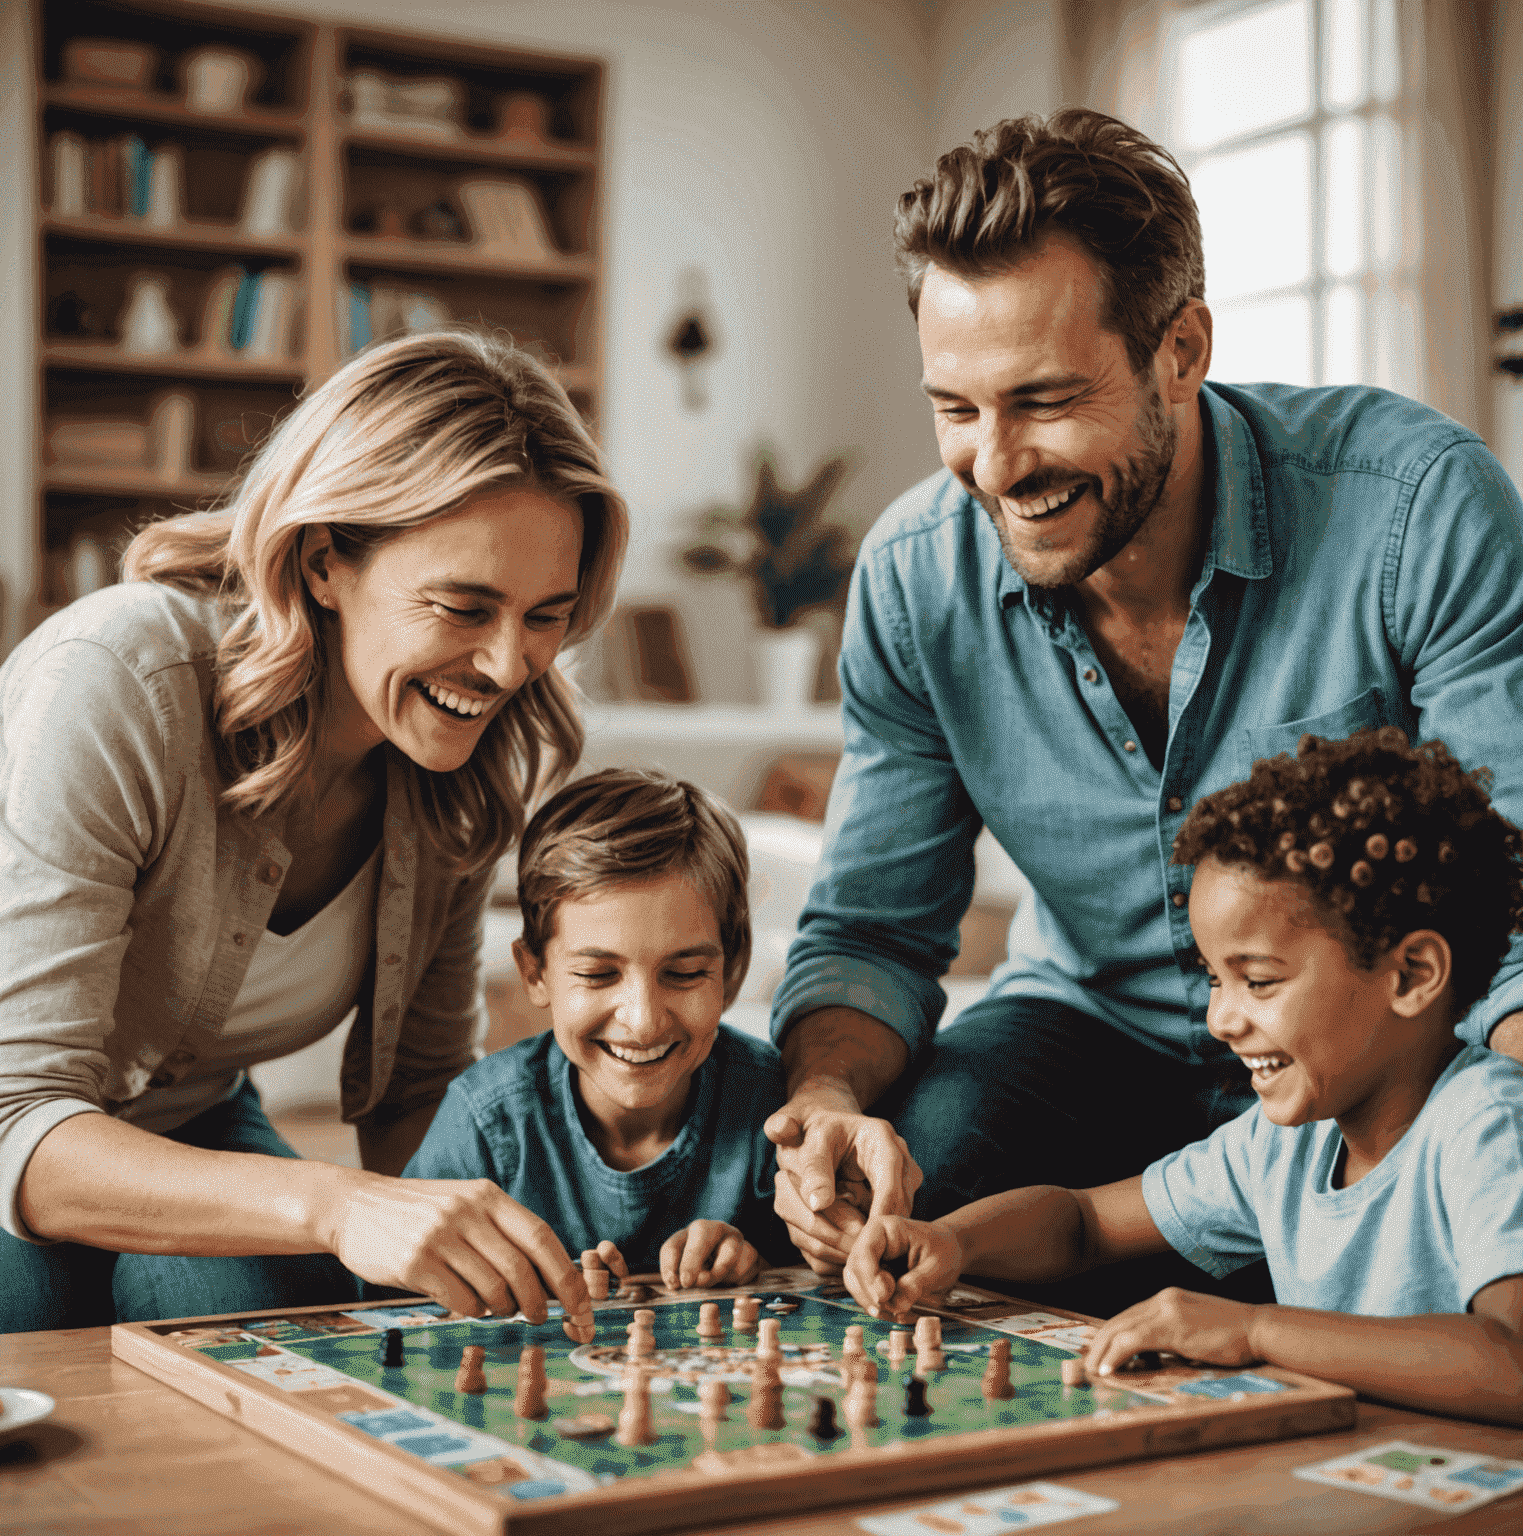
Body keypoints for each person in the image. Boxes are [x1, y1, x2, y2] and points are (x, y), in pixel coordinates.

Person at [764, 109, 1523, 1302]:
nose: (998, 467)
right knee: (920, 1191)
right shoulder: (916, 578)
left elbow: (1513, 896)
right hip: (1085, 1029)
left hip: (1369, 1052)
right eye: (957, 410)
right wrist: (823, 1101)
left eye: (1046, 400)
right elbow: (873, 927)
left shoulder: (1415, 510)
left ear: (1182, 349)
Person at [0, 329, 628, 1332]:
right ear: (326, 560)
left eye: (546, 614)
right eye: (465, 607)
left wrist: (513, 1245)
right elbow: (13, 1122)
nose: (510, 667)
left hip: (186, 1121)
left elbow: (418, 1098)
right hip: (6, 1130)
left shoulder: (463, 763)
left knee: (274, 1326)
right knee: (29, 1322)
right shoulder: (119, 680)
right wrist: (335, 1203)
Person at [843, 728, 1523, 1425]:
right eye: (1214, 979)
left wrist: (1254, 1331)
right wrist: (956, 1242)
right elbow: (1085, 1225)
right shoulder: (1285, 1143)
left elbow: (1515, 1359)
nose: (1222, 1018)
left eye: (1257, 981)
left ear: (1411, 975)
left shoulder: (1488, 1120)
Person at [404, 768, 797, 1289]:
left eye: (683, 974)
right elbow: (397, 1297)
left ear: (732, 971)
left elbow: (829, 1278)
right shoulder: (486, 1121)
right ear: (535, 973)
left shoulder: (777, 1108)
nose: (642, 1021)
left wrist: (759, 1266)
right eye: (597, 974)